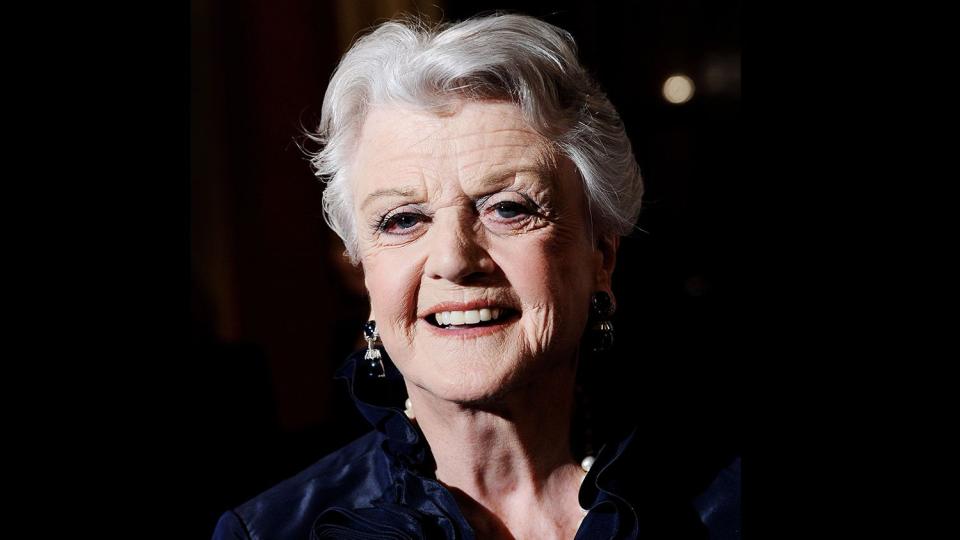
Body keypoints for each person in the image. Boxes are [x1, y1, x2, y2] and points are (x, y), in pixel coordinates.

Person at [213, 12, 739, 540]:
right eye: (403, 219)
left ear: (601, 255)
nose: (454, 259)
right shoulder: (269, 532)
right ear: (366, 277)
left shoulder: (724, 500)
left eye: (507, 208)